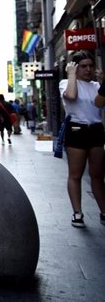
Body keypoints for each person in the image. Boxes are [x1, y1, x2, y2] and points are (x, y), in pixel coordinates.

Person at [59, 51, 105, 228]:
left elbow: (100, 103)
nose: (88, 69)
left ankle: (103, 211)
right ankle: (77, 213)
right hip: (76, 129)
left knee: (97, 175)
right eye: (83, 66)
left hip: (95, 130)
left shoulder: (96, 85)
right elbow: (71, 96)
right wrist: (71, 74)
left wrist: (101, 82)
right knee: (76, 174)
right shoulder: (67, 83)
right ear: (75, 68)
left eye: (90, 66)